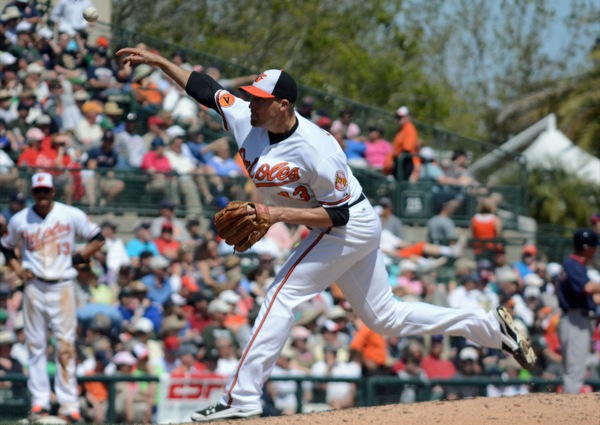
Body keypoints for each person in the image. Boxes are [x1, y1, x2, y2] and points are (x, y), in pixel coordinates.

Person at [116, 47, 536, 422]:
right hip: (344, 224)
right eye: (251, 98)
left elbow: (337, 216)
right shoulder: (245, 117)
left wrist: (275, 213)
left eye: (261, 101)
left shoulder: (318, 148)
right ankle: (490, 329)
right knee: (384, 318)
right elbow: (206, 89)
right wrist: (158, 62)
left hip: (348, 223)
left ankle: (240, 397)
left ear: (283, 105)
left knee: (281, 295)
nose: (251, 105)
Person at [0, 172, 105, 423]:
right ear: (32, 193)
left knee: (65, 344)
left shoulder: (70, 214)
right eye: (38, 192)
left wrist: (79, 258)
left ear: (53, 191)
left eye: (46, 191)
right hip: (34, 284)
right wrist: (17, 269)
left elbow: (97, 238)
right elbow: (5, 246)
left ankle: (69, 404)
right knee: (35, 345)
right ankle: (40, 403)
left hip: (63, 284)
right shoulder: (20, 219)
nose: (43, 195)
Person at [557, 229, 600, 394]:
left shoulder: (575, 265)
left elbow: (591, 298)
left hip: (577, 318)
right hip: (574, 320)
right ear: (585, 247)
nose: (595, 249)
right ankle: (568, 414)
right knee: (575, 371)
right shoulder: (572, 263)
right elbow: (588, 288)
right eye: (593, 246)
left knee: (576, 369)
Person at [387, 106, 419, 181]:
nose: (399, 119)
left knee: (401, 185)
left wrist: (395, 159)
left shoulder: (409, 129)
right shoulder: (400, 130)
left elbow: (407, 149)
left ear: (407, 117)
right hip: (399, 162)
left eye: (401, 117)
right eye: (398, 117)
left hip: (405, 162)